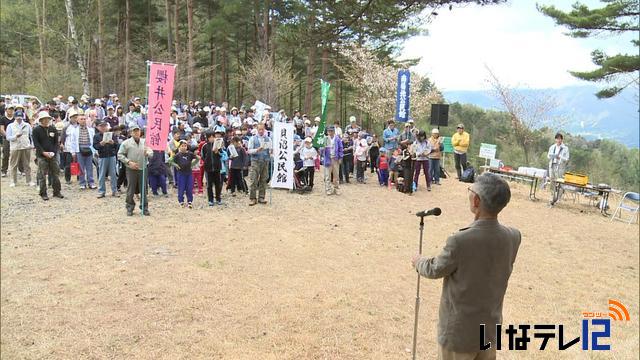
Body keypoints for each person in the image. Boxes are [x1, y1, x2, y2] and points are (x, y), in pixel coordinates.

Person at [411, 173, 521, 360]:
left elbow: (435, 268)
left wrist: (418, 261)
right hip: (489, 331)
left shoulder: (461, 240)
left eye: (470, 190)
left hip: (460, 334)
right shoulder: (513, 236)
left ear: (476, 200)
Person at [117, 124, 153, 216]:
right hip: (131, 169)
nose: (136, 132)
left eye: (138, 130)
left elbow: (151, 152)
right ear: (131, 133)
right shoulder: (126, 143)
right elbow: (120, 155)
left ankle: (144, 208)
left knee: (144, 189)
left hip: (143, 168)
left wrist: (147, 153)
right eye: (134, 131)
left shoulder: (144, 142)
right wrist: (129, 162)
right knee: (130, 189)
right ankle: (129, 207)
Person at [32, 111, 64, 201]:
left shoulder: (53, 129)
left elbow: (55, 142)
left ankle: (57, 191)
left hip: (52, 155)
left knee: (55, 173)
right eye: (44, 119)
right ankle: (43, 193)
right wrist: (43, 153)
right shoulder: (36, 130)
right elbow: (36, 144)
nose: (46, 120)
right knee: (42, 175)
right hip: (41, 156)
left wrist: (53, 152)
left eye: (48, 119)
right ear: (41, 120)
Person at [5, 109, 35, 187]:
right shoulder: (10, 126)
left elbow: (31, 135)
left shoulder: (27, 125)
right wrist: (15, 136)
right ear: (15, 117)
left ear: (23, 117)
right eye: (17, 117)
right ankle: (13, 181)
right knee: (13, 164)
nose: (19, 119)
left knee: (27, 165)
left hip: (26, 147)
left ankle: (29, 181)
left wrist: (32, 144)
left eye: (20, 117)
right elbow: (8, 137)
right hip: (15, 147)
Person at [169, 139, 200, 208]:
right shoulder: (177, 155)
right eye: (182, 146)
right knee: (181, 188)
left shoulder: (190, 154)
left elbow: (198, 158)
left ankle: (189, 201)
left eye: (185, 146)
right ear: (179, 147)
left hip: (189, 174)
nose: (183, 147)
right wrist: (176, 165)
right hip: (181, 174)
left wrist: (192, 164)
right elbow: (170, 161)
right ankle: (181, 201)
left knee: (189, 188)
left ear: (187, 147)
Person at [93, 120, 119, 198]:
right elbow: (95, 146)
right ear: (98, 127)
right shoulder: (96, 136)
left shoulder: (112, 135)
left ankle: (115, 190)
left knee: (113, 174)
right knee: (102, 174)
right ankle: (101, 191)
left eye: (105, 126)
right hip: (102, 156)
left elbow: (117, 145)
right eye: (101, 126)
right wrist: (100, 144)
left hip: (112, 156)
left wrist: (113, 143)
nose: (103, 128)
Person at [247, 124, 271, 205]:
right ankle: (253, 198)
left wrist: (271, 152)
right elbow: (249, 150)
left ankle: (261, 197)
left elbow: (271, 149)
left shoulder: (268, 139)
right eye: (259, 129)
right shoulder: (253, 139)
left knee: (263, 180)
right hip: (255, 161)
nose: (261, 131)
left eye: (262, 129)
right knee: (253, 179)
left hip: (265, 161)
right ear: (257, 129)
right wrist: (257, 150)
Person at [201, 130, 225, 206]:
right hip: (208, 168)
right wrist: (206, 162)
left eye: (213, 137)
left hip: (217, 167)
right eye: (210, 137)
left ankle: (218, 198)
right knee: (209, 185)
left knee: (218, 184)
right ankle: (210, 200)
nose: (211, 138)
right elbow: (203, 156)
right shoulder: (204, 146)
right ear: (207, 138)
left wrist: (217, 152)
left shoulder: (218, 145)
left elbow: (222, 155)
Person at [74, 112, 96, 189]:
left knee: (89, 166)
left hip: (89, 148)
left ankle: (91, 182)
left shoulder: (91, 130)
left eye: (84, 119)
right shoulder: (75, 130)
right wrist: (73, 152)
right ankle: (82, 183)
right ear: (78, 120)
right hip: (79, 149)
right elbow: (73, 141)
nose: (83, 120)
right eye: (81, 119)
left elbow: (93, 140)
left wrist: (94, 151)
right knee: (81, 167)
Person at [547, 133, 570, 206]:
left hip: (560, 167)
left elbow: (567, 159)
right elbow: (548, 156)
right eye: (557, 138)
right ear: (555, 139)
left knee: (560, 182)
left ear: (562, 139)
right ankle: (552, 197)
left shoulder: (565, 148)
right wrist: (552, 156)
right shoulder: (552, 147)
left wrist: (560, 158)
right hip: (552, 165)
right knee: (552, 181)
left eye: (560, 138)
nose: (558, 140)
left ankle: (559, 198)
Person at [322, 125, 343, 195]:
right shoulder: (325, 139)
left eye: (331, 131)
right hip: (328, 159)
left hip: (335, 159)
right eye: (329, 131)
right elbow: (321, 150)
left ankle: (336, 188)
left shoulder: (337, 139)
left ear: (334, 131)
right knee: (327, 175)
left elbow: (340, 148)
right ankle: (328, 189)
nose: (330, 132)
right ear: (327, 132)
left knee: (336, 175)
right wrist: (323, 148)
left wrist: (340, 157)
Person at [0, 103, 16, 177]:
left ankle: (20, 170)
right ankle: (4, 170)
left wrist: (14, 137)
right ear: (6, 110)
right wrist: (8, 137)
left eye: (12, 109)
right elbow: (2, 129)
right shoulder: (3, 118)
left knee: (17, 154)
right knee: (6, 155)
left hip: (15, 139)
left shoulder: (15, 118)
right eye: (9, 109)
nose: (11, 111)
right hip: (6, 139)